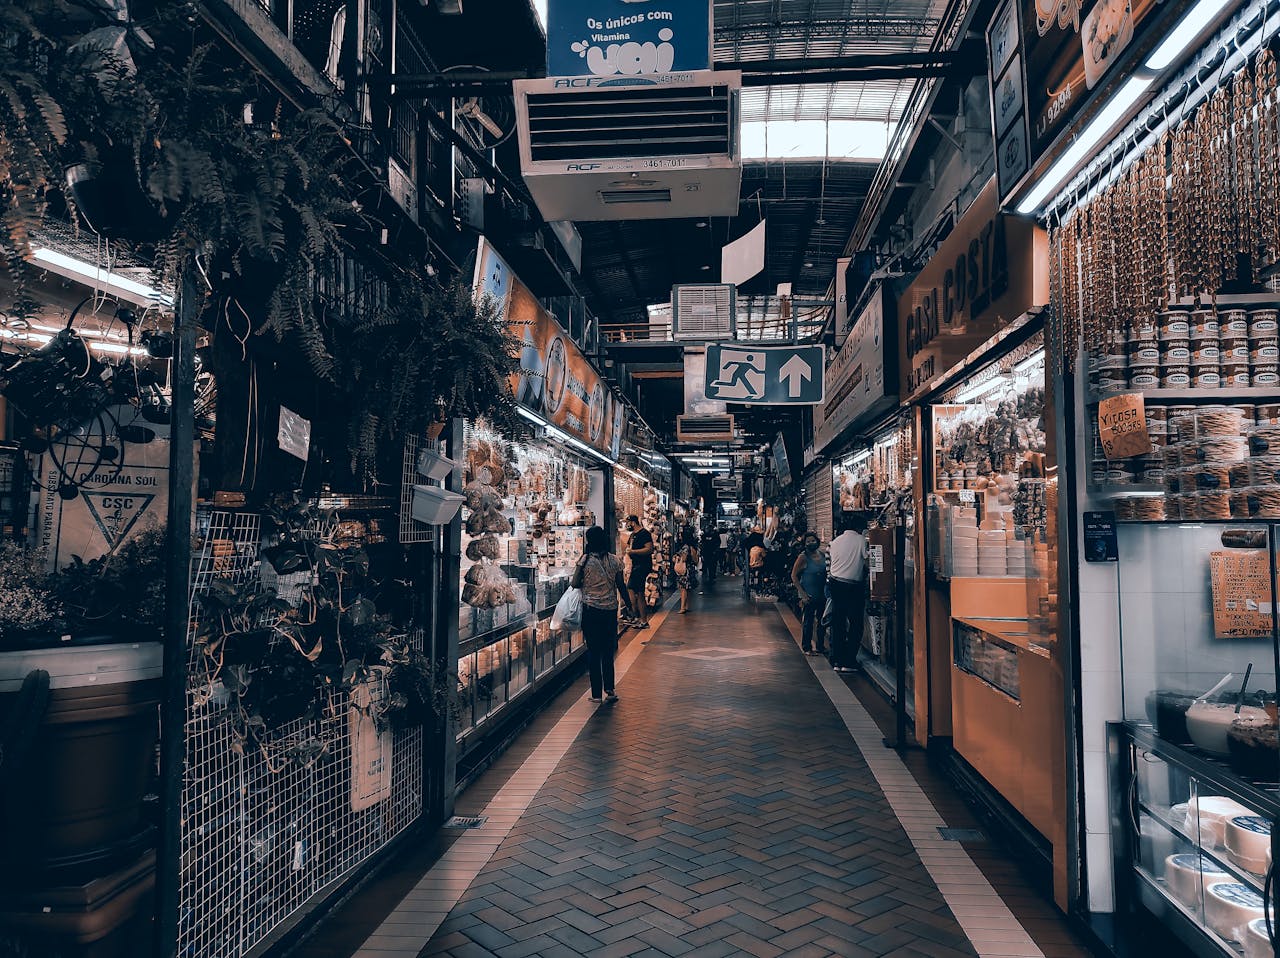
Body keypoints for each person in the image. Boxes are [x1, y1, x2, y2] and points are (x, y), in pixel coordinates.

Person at [571, 526, 633, 703]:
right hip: (610, 611)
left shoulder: (584, 560)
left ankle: (596, 694)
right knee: (607, 651)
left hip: (591, 611)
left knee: (593, 651)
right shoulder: (615, 560)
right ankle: (610, 690)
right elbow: (621, 585)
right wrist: (629, 606)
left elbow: (575, 583)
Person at [828, 514, 869, 674]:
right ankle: (849, 661)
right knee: (856, 624)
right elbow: (867, 561)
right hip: (852, 587)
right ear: (860, 528)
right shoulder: (861, 540)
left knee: (838, 623)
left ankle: (836, 660)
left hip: (835, 583)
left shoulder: (835, 541)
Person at [791, 531, 828, 656]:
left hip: (822, 594)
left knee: (822, 622)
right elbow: (794, 576)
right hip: (809, 595)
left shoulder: (822, 555)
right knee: (808, 622)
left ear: (817, 541)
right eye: (808, 542)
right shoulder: (803, 557)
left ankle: (820, 646)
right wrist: (802, 594)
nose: (811, 543)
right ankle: (807, 647)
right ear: (804, 544)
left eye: (813, 541)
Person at [623, 515, 653, 628]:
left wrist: (634, 552)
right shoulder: (633, 535)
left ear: (633, 522)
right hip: (635, 565)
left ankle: (639, 618)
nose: (627, 525)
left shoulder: (644, 533)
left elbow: (649, 549)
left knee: (635, 590)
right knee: (637, 591)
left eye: (628, 522)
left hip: (642, 566)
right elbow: (628, 547)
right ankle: (639, 618)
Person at [674, 528, 699, 613]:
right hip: (690, 569)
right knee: (688, 588)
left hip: (685, 570)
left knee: (683, 588)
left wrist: (678, 556)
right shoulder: (692, 547)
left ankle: (682, 608)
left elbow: (684, 558)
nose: (679, 537)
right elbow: (696, 560)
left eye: (681, 535)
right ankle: (687, 606)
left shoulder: (685, 547)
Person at [744, 525, 766, 594]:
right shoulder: (760, 544)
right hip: (759, 564)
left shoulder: (750, 539)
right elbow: (764, 555)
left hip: (751, 563)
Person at [699, 525, 719, 591]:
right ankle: (711, 577)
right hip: (710, 553)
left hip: (709, 553)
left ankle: (710, 577)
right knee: (711, 566)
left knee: (710, 565)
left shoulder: (707, 535)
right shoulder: (714, 535)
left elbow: (703, 544)